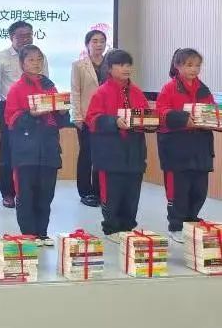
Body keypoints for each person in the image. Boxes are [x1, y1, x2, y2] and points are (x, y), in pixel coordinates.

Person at [85, 49, 149, 242]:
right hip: (110, 154)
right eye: (121, 65)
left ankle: (128, 227)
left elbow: (147, 115)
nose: (126, 68)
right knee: (112, 193)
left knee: (132, 193)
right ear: (110, 68)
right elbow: (92, 119)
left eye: (128, 65)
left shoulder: (137, 92)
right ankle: (111, 228)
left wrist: (150, 122)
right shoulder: (101, 92)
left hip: (134, 152)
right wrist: (114, 121)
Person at [4, 45, 65, 247]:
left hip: (48, 147)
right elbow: (11, 119)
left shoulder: (50, 86)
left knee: (46, 193)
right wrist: (31, 114)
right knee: (25, 194)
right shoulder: (16, 89)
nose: (36, 63)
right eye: (31, 60)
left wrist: (63, 111)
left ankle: (42, 233)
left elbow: (59, 120)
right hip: (25, 150)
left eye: (39, 59)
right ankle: (29, 234)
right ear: (22, 64)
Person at [156, 48, 215, 244]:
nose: (194, 69)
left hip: (201, 149)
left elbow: (212, 112)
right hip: (176, 150)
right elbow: (161, 113)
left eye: (197, 65)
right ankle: (176, 226)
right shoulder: (169, 88)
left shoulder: (204, 89)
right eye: (189, 65)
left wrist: (214, 120)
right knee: (178, 191)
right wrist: (183, 119)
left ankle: (191, 222)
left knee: (199, 190)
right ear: (177, 66)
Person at [0, 21, 48, 209]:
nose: (26, 39)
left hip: (38, 108)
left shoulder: (40, 57)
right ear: (11, 37)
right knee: (8, 152)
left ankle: (30, 191)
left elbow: (45, 81)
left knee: (33, 151)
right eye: (21, 36)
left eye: (29, 35)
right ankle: (8, 193)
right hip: (11, 108)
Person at [71, 29, 108, 208]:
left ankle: (100, 191)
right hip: (86, 117)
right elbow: (75, 92)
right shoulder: (79, 65)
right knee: (87, 154)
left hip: (106, 117)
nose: (99, 44)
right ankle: (85, 192)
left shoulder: (112, 64)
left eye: (102, 41)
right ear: (87, 44)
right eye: (94, 41)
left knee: (103, 154)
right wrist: (77, 116)